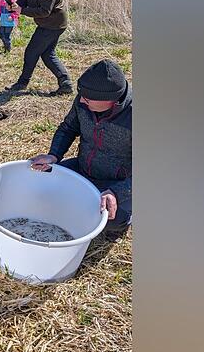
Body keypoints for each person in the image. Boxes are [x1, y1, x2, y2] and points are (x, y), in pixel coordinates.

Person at [29, 59, 132, 239]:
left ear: (111, 101)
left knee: (111, 220)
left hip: (117, 181)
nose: (82, 100)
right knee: (43, 185)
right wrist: (54, 155)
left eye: (88, 99)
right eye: (81, 96)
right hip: (84, 167)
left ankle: (128, 215)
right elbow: (68, 127)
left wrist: (117, 192)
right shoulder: (83, 99)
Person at [5, 0, 73, 95]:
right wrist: (14, 5)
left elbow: (44, 11)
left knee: (31, 51)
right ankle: (65, 83)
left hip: (54, 23)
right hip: (47, 23)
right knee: (48, 54)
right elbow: (23, 0)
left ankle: (22, 83)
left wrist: (21, 10)